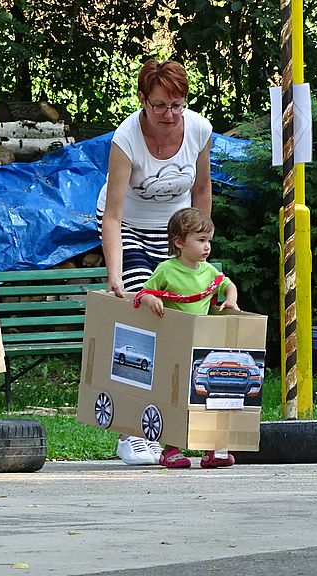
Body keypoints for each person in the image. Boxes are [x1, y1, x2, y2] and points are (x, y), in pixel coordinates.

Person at [97, 58, 213, 465]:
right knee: (143, 323)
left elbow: (201, 190)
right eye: (160, 105)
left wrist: (201, 243)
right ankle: (131, 433)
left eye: (177, 105)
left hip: (175, 232)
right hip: (128, 226)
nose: (169, 114)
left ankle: (167, 427)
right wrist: (116, 275)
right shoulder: (126, 139)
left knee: (177, 324)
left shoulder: (198, 130)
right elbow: (113, 215)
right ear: (143, 101)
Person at [136, 207, 239, 469]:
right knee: (177, 397)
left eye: (209, 241)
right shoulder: (166, 270)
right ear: (179, 242)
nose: (207, 247)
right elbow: (144, 293)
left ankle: (211, 449)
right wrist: (152, 301)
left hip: (204, 346)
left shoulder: (208, 271)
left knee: (208, 395)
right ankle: (171, 449)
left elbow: (228, 284)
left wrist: (230, 299)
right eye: (201, 240)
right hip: (175, 346)